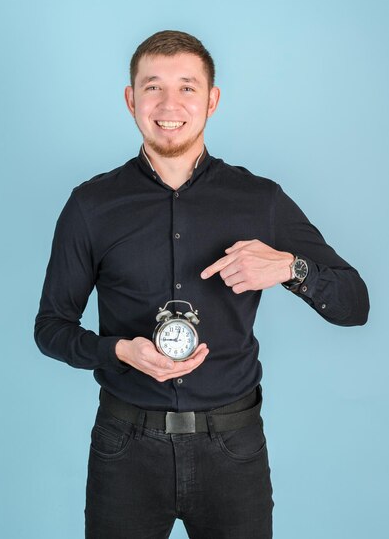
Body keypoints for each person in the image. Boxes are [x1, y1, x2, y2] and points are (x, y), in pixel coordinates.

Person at [34, 30, 369, 539]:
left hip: (233, 449)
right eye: (153, 87)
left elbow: (355, 305)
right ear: (131, 100)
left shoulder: (260, 200)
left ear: (212, 99)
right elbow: (51, 328)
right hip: (124, 447)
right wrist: (118, 351)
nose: (170, 104)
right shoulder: (90, 206)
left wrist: (291, 268)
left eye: (188, 87)